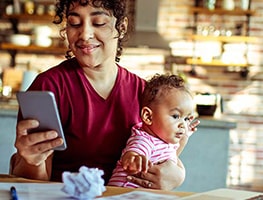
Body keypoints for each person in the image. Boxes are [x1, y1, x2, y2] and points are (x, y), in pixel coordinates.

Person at [10, 0, 199, 190]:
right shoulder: (48, 87)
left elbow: (163, 152)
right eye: (74, 23)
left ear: (121, 27)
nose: (85, 34)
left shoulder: (145, 92)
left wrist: (177, 174)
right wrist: (31, 160)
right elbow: (33, 186)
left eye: (99, 22)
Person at [108, 74, 199, 188]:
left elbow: (172, 157)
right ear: (148, 117)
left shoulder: (163, 142)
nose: (183, 125)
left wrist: (184, 138)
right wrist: (132, 159)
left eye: (186, 119)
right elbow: (134, 151)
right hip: (122, 193)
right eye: (176, 116)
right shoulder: (145, 139)